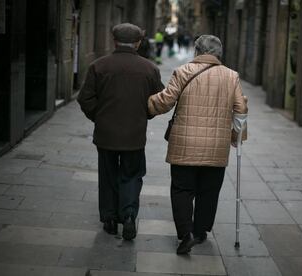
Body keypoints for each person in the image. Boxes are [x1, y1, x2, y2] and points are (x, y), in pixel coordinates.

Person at [148, 35, 248, 254]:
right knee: (209, 190)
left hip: (184, 143)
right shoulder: (231, 76)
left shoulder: (183, 72)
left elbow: (166, 100)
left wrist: (148, 105)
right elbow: (241, 109)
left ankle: (185, 234)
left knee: (182, 189)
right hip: (216, 146)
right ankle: (201, 231)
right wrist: (236, 136)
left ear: (196, 51)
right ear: (219, 53)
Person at [77, 23, 164, 240]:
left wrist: (99, 117)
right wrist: (145, 115)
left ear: (114, 41)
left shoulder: (99, 66)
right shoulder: (149, 69)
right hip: (134, 135)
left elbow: (85, 98)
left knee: (107, 176)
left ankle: (109, 219)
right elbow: (159, 100)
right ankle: (128, 216)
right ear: (138, 42)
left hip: (106, 134)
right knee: (132, 176)